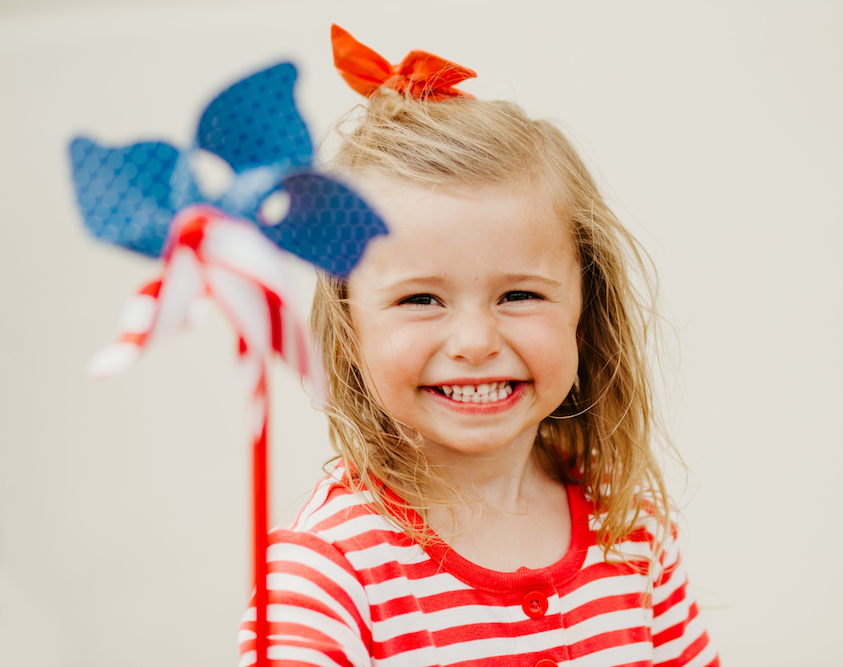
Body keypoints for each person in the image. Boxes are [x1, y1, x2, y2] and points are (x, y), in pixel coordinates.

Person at [239, 24, 720, 667]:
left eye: (519, 296)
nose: (474, 342)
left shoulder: (631, 532)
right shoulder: (323, 577)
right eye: (419, 299)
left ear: (586, 308)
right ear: (350, 327)